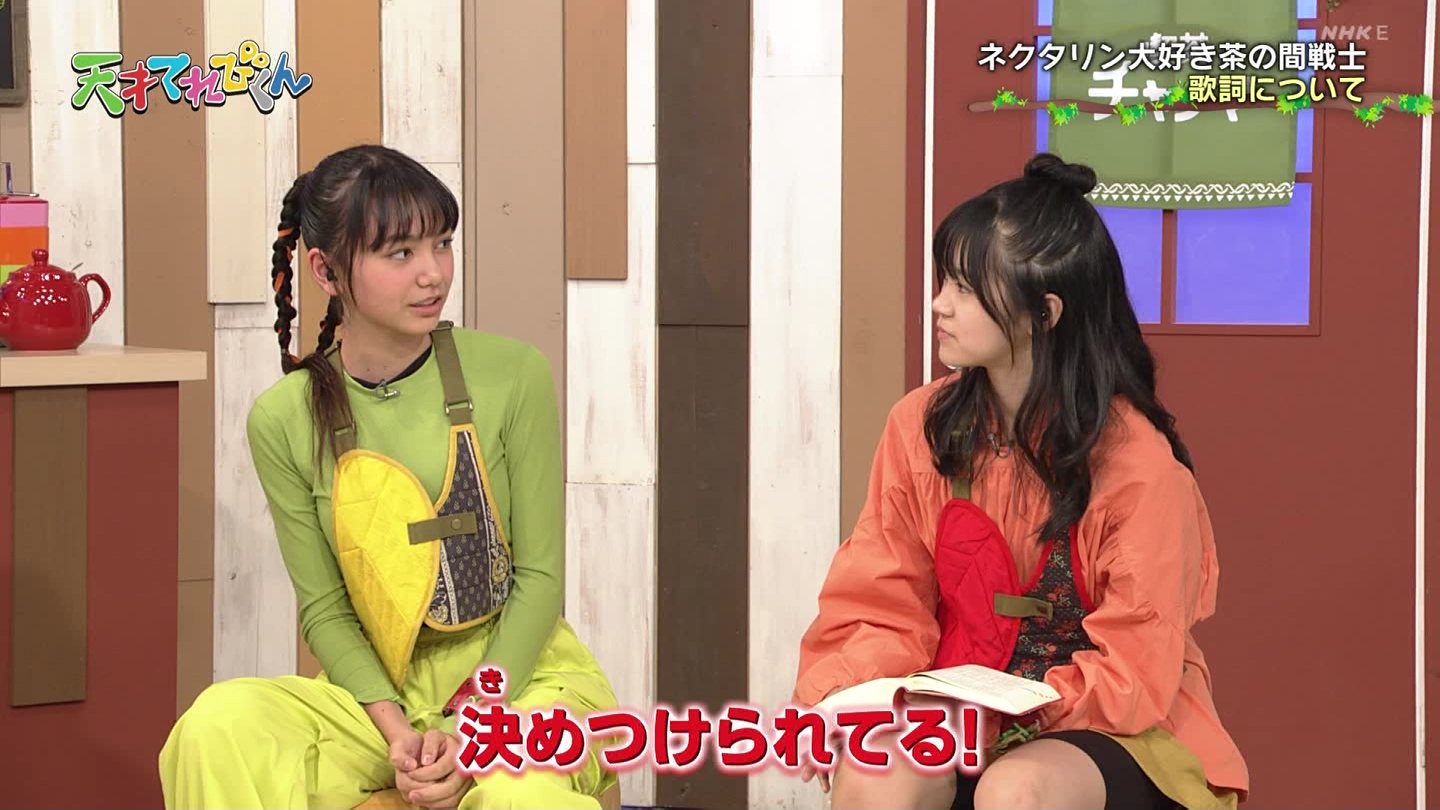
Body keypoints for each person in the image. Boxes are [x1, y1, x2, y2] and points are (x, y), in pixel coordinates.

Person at [158, 144, 619, 809]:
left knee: (519, 796)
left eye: (442, 244)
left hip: (519, 683)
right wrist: (398, 734)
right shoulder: (283, 419)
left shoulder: (513, 374)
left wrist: (471, 728)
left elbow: (541, 578)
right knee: (217, 726)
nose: (433, 274)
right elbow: (325, 608)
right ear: (326, 270)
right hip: (377, 701)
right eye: (400, 253)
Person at [791, 153, 1248, 809]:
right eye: (943, 282)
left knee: (1017, 790)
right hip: (957, 710)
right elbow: (879, 599)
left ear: (1045, 312)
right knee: (876, 771)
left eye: (965, 289)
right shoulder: (919, 426)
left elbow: (1134, 668)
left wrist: (1006, 718)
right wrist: (845, 696)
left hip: (1113, 727)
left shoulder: (1139, 467)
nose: (939, 305)